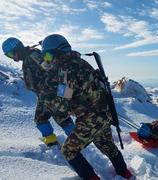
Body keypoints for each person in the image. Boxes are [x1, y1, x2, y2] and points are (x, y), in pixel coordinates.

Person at [40, 34, 133, 179]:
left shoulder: (66, 69)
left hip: (90, 118)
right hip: (103, 115)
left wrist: (48, 100)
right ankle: (124, 173)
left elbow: (63, 103)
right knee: (106, 145)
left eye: (48, 55)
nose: (47, 60)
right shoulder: (81, 62)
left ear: (56, 52)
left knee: (69, 151)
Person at [2, 37, 75, 146]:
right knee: (52, 117)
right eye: (8, 56)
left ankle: (68, 142)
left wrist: (57, 92)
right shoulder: (28, 56)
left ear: (17, 49)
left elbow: (52, 69)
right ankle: (67, 142)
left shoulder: (33, 55)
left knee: (49, 118)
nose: (12, 58)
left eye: (11, 54)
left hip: (50, 94)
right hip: (45, 95)